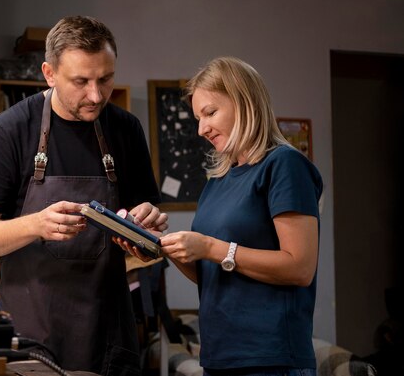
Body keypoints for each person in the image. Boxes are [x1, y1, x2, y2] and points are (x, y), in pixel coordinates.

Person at [0, 15, 168, 376]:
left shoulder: (126, 129)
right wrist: (36, 224)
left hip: (110, 335)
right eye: (80, 81)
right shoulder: (9, 131)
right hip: (32, 339)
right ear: (49, 74)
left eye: (105, 79)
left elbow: (148, 230)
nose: (96, 95)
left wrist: (147, 226)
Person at [119, 56, 323, 376]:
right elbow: (214, 274)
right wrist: (159, 245)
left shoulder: (284, 165)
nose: (202, 129)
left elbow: (300, 268)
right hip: (219, 357)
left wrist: (211, 247)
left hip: (270, 359)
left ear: (245, 102)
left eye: (210, 113)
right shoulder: (218, 180)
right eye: (198, 118)